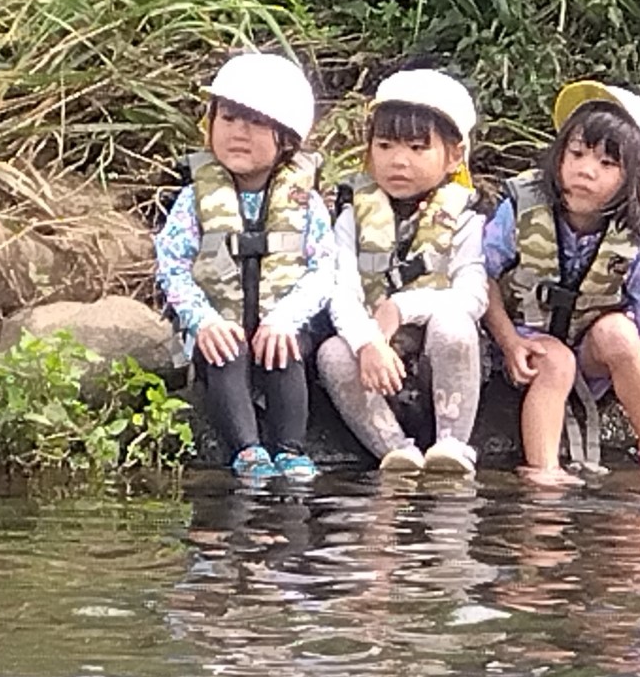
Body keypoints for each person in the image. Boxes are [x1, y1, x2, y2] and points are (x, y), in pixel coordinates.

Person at [482, 80, 640, 482]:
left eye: (606, 164)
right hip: (522, 347)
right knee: (556, 358)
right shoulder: (520, 211)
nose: (586, 170)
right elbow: (483, 276)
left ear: (632, 180)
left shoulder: (633, 246)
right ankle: (544, 470)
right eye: (577, 154)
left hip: (589, 354)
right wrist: (510, 342)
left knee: (620, 332)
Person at [155, 52, 334, 481]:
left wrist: (285, 318)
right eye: (229, 118)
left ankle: (290, 449)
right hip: (219, 327)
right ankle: (247, 450)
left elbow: (323, 269)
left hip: (282, 327)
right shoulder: (193, 200)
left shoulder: (305, 202)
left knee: (285, 350)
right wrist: (204, 320)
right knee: (226, 350)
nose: (238, 132)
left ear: (285, 138)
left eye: (255, 122)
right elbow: (172, 265)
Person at [317, 69, 487, 475]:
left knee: (453, 325)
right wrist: (367, 342)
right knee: (333, 353)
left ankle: (452, 444)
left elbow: (473, 295)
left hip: (435, 360)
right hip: (377, 363)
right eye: (385, 145)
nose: (398, 160)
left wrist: (402, 307)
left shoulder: (466, 217)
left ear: (454, 155)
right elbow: (341, 290)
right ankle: (394, 450)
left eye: (417, 148)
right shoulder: (351, 217)